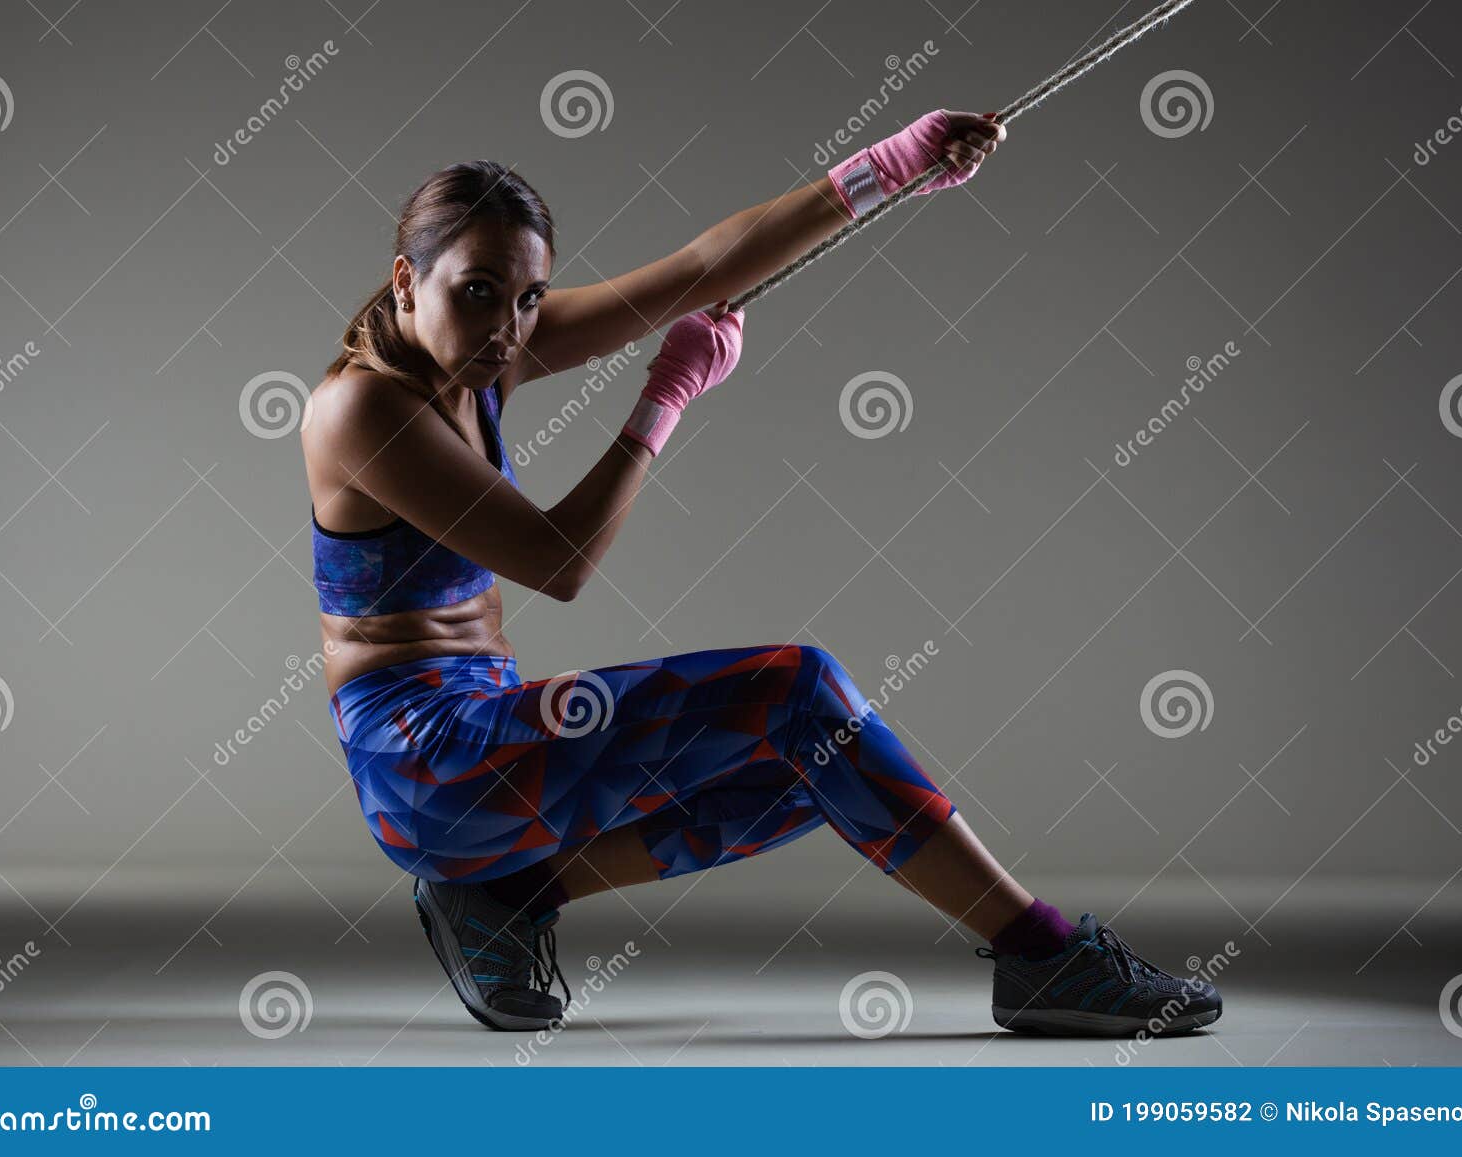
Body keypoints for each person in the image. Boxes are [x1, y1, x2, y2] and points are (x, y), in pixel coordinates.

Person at [300, 110, 1221, 1036]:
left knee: (825, 761)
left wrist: (888, 167)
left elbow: (701, 267)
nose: (509, 327)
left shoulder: (482, 350)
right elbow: (560, 562)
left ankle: (509, 895)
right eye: (479, 292)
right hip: (426, 771)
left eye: (530, 298)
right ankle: (1042, 953)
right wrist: (665, 397)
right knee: (803, 693)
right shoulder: (362, 408)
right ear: (406, 280)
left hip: (488, 739)